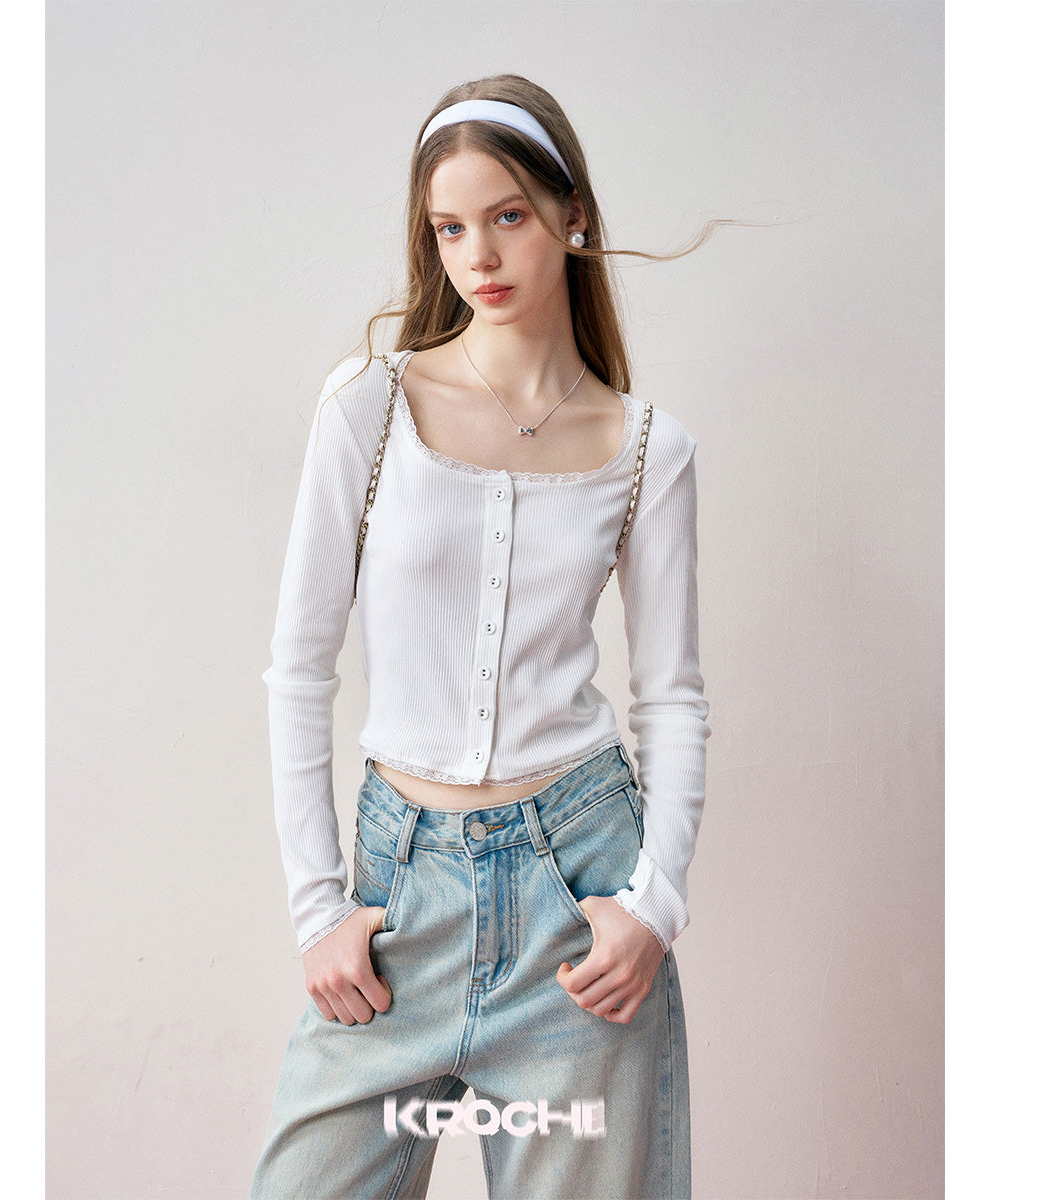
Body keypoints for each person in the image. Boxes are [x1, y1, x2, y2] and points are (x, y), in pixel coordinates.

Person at [249, 74, 711, 1200]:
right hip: (400, 895)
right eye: (449, 228)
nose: (480, 257)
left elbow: (673, 699)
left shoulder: (648, 449)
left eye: (507, 216)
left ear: (572, 216)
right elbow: (298, 670)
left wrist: (654, 905)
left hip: (576, 902)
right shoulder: (367, 405)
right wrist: (318, 910)